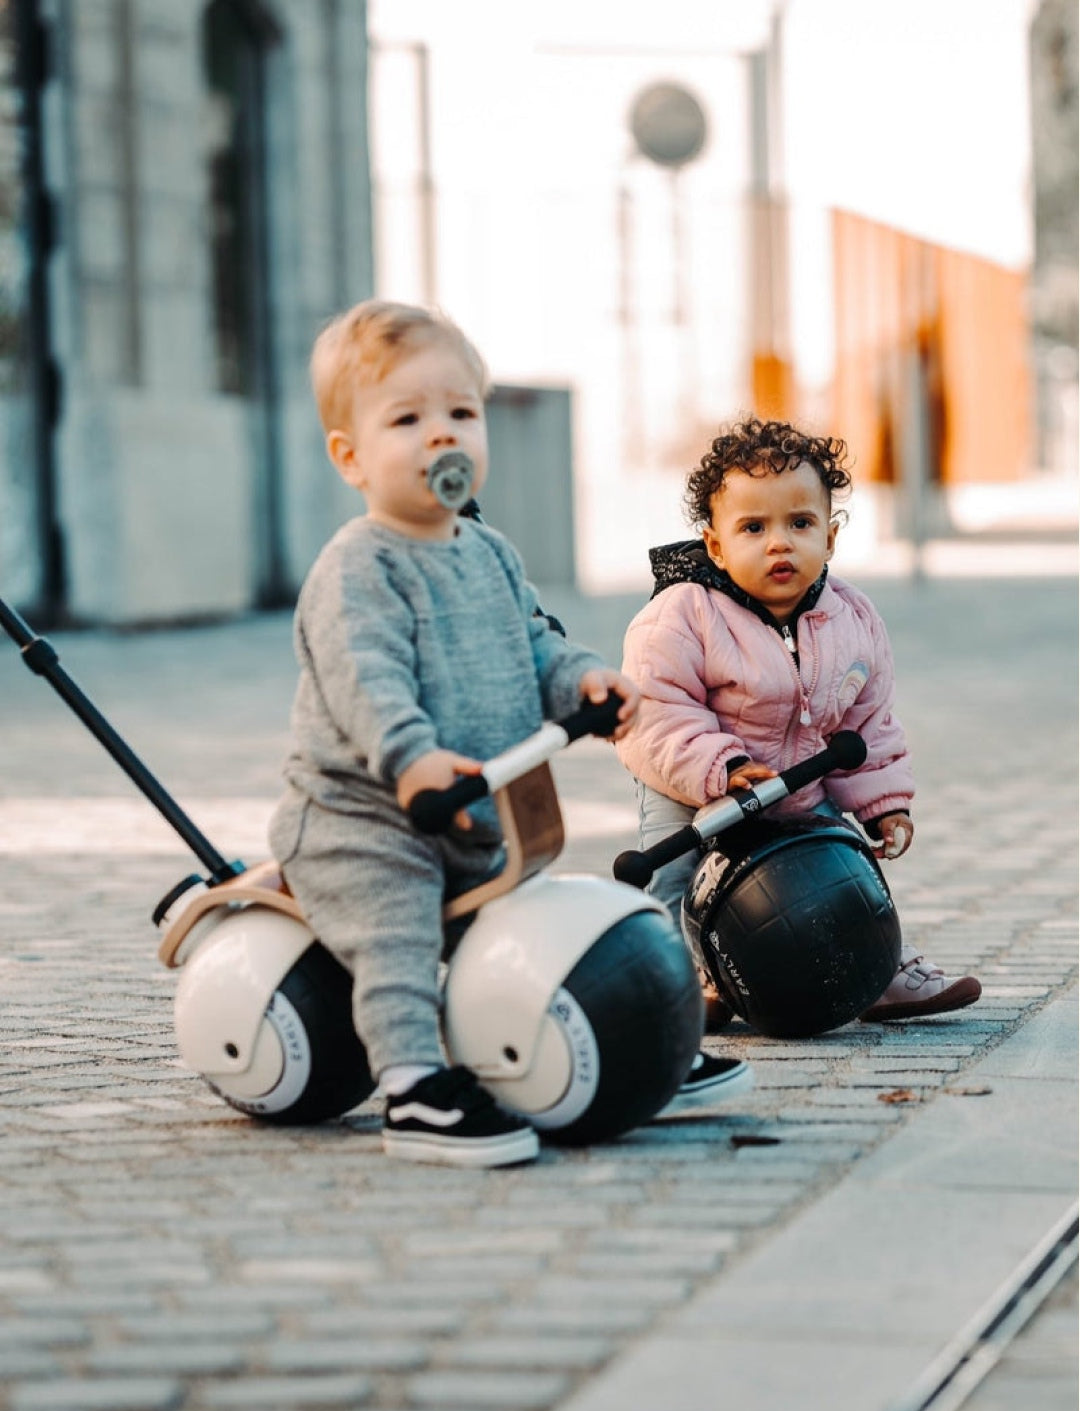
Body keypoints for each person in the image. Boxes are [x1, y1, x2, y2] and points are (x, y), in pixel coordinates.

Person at [268, 300, 750, 1169]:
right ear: (350, 456)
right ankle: (414, 1088)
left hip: (473, 808)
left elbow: (533, 641)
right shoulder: (358, 569)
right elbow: (367, 682)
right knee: (399, 929)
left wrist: (582, 681)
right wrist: (411, 761)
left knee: (527, 911)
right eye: (407, 419)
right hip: (367, 820)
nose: (441, 437)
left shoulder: (485, 553)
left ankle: (628, 1049)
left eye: (460, 413)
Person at [615, 415, 981, 1030]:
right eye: (753, 528)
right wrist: (720, 767)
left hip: (802, 784)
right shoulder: (683, 614)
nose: (778, 543)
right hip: (700, 785)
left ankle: (879, 967)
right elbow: (654, 712)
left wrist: (882, 804)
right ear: (716, 545)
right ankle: (679, 977)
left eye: (800, 523)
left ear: (831, 539)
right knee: (672, 873)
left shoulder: (853, 619)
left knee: (848, 866)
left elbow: (869, 725)